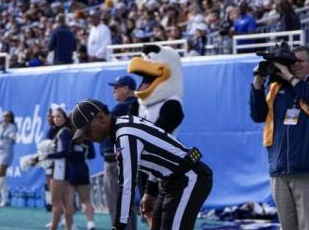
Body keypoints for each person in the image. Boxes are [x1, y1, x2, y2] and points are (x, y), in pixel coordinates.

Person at [71, 99, 213, 230]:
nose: (87, 137)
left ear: (101, 118)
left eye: (87, 130)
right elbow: (157, 157)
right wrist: (150, 191)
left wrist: (118, 227)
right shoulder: (125, 123)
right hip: (173, 179)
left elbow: (126, 187)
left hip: (189, 177)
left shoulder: (125, 135)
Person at [250, 45, 309, 230]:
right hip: (280, 172)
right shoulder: (277, 89)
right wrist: (257, 82)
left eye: (300, 61)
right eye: (292, 61)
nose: (295, 65)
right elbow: (258, 115)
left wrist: (289, 76)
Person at [101, 76, 138, 228]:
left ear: (126, 89)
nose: (113, 90)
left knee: (117, 205)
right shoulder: (137, 105)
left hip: (116, 161)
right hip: (127, 160)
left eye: (117, 87)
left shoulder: (122, 107)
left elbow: (104, 131)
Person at [41, 107, 73, 230]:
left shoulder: (64, 132)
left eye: (59, 116)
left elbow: (65, 151)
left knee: (56, 202)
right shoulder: (64, 131)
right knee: (65, 203)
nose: (55, 119)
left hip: (61, 170)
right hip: (62, 169)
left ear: (65, 118)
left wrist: (49, 155)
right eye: (54, 116)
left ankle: (53, 228)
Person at [68, 140, 96, 229]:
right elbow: (92, 155)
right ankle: (91, 223)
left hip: (69, 170)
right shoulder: (87, 138)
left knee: (69, 201)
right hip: (82, 169)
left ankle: (70, 224)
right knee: (86, 200)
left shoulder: (67, 135)